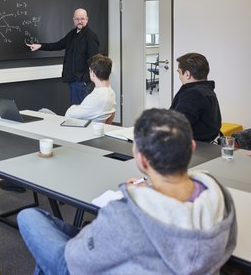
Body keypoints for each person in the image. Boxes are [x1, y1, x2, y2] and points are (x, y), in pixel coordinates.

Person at [17, 108, 237, 275]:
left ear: (140, 159)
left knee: (30, 217)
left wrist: (132, 198)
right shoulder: (218, 196)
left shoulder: (125, 212)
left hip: (84, 263)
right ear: (191, 148)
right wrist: (149, 191)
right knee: (75, 231)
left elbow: (76, 262)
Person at [26, 8, 100, 105]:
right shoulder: (72, 34)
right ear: (73, 19)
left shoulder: (91, 37)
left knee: (78, 113)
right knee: (75, 110)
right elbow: (59, 45)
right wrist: (40, 46)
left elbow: (94, 60)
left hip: (81, 81)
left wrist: (86, 79)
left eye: (82, 19)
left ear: (87, 19)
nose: (80, 21)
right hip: (73, 80)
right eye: (77, 19)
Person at [170, 52, 222, 143]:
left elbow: (176, 125)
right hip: (210, 142)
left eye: (179, 73)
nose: (179, 77)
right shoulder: (207, 90)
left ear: (187, 74)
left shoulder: (193, 94)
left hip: (196, 147)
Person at [64, 54, 116, 122]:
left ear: (93, 73)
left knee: (45, 111)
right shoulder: (111, 93)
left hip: (81, 129)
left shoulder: (96, 98)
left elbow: (68, 114)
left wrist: (74, 107)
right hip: (92, 127)